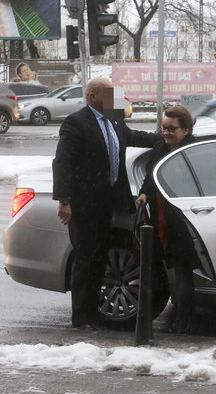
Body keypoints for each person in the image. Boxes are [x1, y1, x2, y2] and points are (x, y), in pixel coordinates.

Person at [52, 77, 160, 329]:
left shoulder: (114, 119)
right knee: (85, 260)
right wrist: (64, 200)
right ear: (92, 97)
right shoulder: (76, 122)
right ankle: (81, 317)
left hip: (108, 203)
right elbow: (63, 162)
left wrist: (164, 138)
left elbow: (134, 136)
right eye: (110, 93)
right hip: (84, 204)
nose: (116, 97)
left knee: (100, 260)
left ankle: (94, 313)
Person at [136, 106, 198, 333]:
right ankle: (167, 311)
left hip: (186, 217)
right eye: (163, 128)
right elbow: (151, 177)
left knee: (183, 268)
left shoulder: (194, 150)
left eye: (171, 129)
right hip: (160, 217)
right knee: (162, 266)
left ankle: (185, 318)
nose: (166, 133)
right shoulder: (159, 148)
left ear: (186, 130)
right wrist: (144, 193)